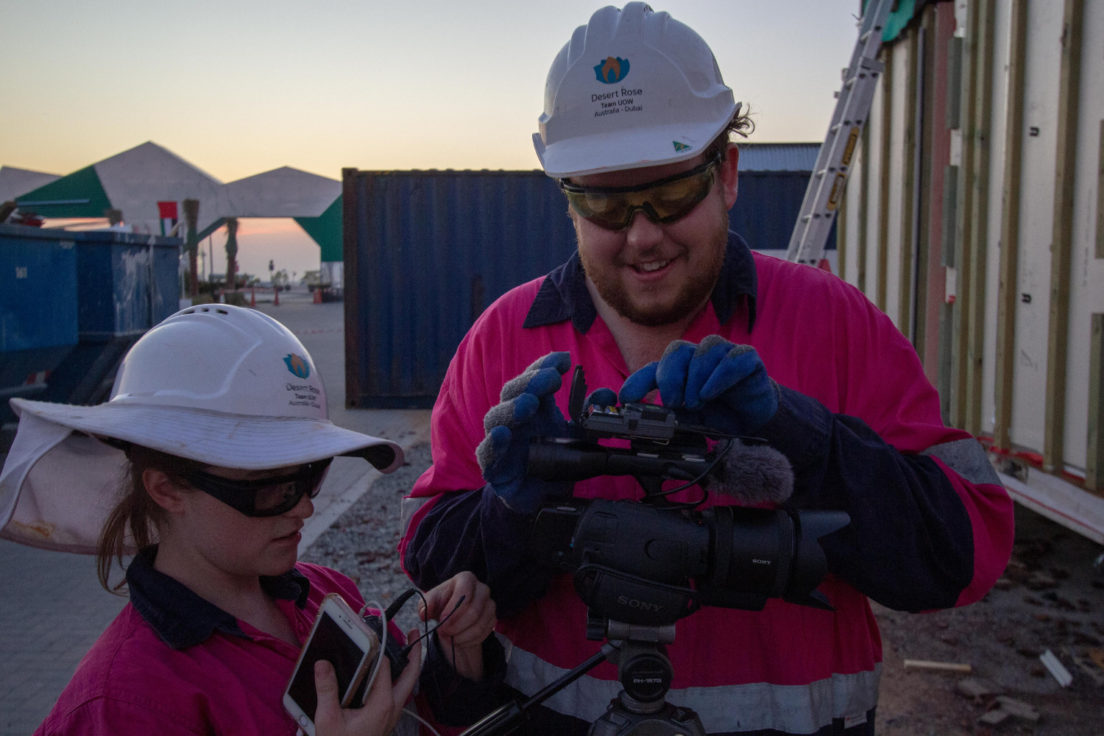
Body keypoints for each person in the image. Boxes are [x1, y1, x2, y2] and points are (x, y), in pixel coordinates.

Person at [398, 4, 1015, 735]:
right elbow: (430, 563)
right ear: (568, 198)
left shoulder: (836, 323)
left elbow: (961, 556)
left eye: (671, 193)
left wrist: (803, 438)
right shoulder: (504, 337)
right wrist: (515, 515)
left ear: (726, 172)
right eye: (605, 202)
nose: (643, 235)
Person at [0, 304, 504, 736]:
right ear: (166, 488)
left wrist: (458, 656)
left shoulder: (326, 594)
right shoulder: (123, 703)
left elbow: (417, 715)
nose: (304, 507)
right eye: (271, 488)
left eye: (310, 476)